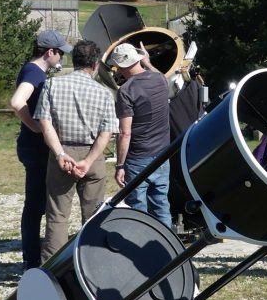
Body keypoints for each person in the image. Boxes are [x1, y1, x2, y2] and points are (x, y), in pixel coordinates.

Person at [34, 39, 119, 263]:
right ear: (95, 64)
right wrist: (89, 161)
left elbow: (44, 123)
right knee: (93, 217)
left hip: (62, 153)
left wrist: (60, 154)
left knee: (57, 216)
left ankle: (52, 270)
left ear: (74, 60)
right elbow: (107, 132)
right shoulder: (104, 93)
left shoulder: (52, 85)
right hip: (93, 155)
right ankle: (94, 265)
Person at [9, 29, 71, 271]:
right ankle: (32, 260)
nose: (62, 59)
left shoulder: (32, 71)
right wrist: (36, 126)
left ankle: (34, 257)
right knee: (35, 206)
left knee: (38, 204)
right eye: (60, 54)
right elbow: (16, 102)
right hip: (35, 148)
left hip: (33, 147)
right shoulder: (34, 72)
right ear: (50, 52)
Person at [111, 42, 172, 227]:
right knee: (161, 205)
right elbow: (160, 75)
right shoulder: (159, 80)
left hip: (138, 158)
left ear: (120, 66)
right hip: (163, 155)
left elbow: (125, 132)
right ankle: (167, 251)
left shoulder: (126, 90)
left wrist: (120, 165)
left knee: (138, 210)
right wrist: (148, 62)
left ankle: (137, 251)